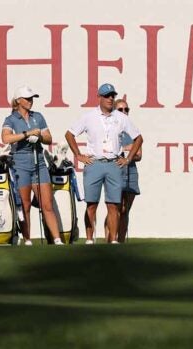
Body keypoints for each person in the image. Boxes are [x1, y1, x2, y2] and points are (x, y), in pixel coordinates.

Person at [65, 83, 143, 244]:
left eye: (112, 96)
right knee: (91, 203)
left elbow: (138, 138)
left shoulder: (121, 118)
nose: (110, 99)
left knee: (113, 204)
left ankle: (113, 240)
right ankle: (89, 239)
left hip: (114, 164)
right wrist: (78, 155)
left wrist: (128, 159)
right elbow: (69, 134)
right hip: (94, 163)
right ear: (99, 97)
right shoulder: (89, 116)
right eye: (107, 96)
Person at [1, 86, 62, 245]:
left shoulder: (38, 117)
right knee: (25, 204)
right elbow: (6, 138)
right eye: (27, 98)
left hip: (39, 161)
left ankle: (57, 239)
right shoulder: (11, 119)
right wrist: (27, 135)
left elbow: (49, 138)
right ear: (18, 101)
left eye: (31, 98)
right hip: (20, 162)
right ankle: (27, 238)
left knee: (47, 204)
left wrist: (39, 137)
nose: (30, 101)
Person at [115, 99, 143, 242]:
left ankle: (120, 242)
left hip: (130, 172)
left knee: (125, 211)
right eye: (120, 110)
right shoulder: (111, 128)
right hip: (115, 172)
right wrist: (128, 148)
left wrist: (126, 150)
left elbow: (138, 155)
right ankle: (110, 241)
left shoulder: (132, 129)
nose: (124, 112)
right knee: (115, 210)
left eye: (126, 110)